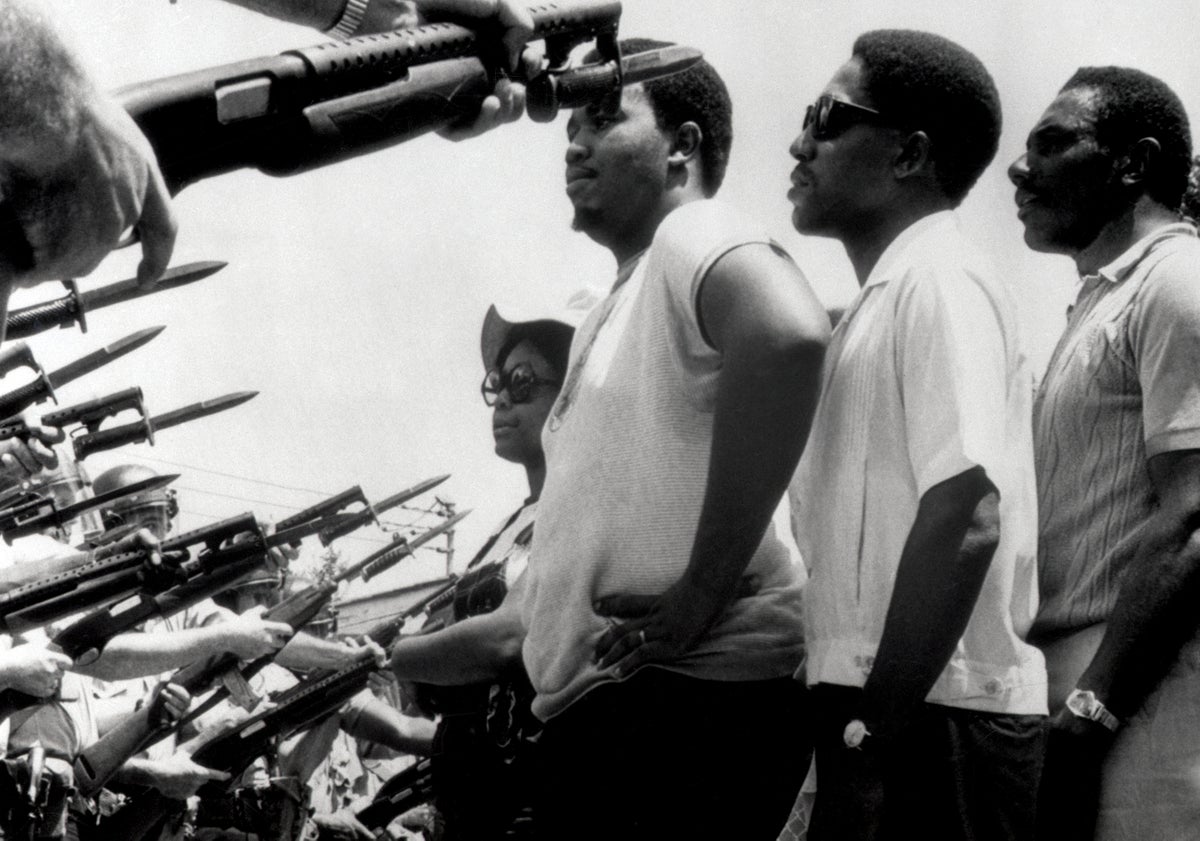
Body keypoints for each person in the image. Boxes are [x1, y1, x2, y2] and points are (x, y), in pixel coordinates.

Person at [512, 38, 828, 841]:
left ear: (682, 146)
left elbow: (788, 335)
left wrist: (702, 588)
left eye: (605, 118)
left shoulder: (692, 233)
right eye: (569, 127)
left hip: (684, 709)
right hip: (619, 715)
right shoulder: (620, 301)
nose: (576, 143)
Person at [786, 30, 1047, 840]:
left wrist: (872, 733)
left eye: (828, 117)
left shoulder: (942, 277)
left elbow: (966, 510)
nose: (799, 142)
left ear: (909, 156)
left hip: (933, 719)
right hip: (890, 707)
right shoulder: (884, 300)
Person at [1009, 67, 1200, 841]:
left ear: (1131, 162)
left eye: (1053, 144)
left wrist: (1095, 706)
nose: (1021, 169)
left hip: (1141, 698)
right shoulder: (1104, 298)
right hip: (1083, 693)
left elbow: (1192, 516)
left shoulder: (1176, 282)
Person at [388, 295, 589, 839]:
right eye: (497, 382)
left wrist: (393, 657)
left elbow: (507, 638)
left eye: (522, 381)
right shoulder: (514, 523)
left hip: (534, 806)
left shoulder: (588, 505)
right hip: (474, 810)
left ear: (577, 391)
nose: (501, 398)